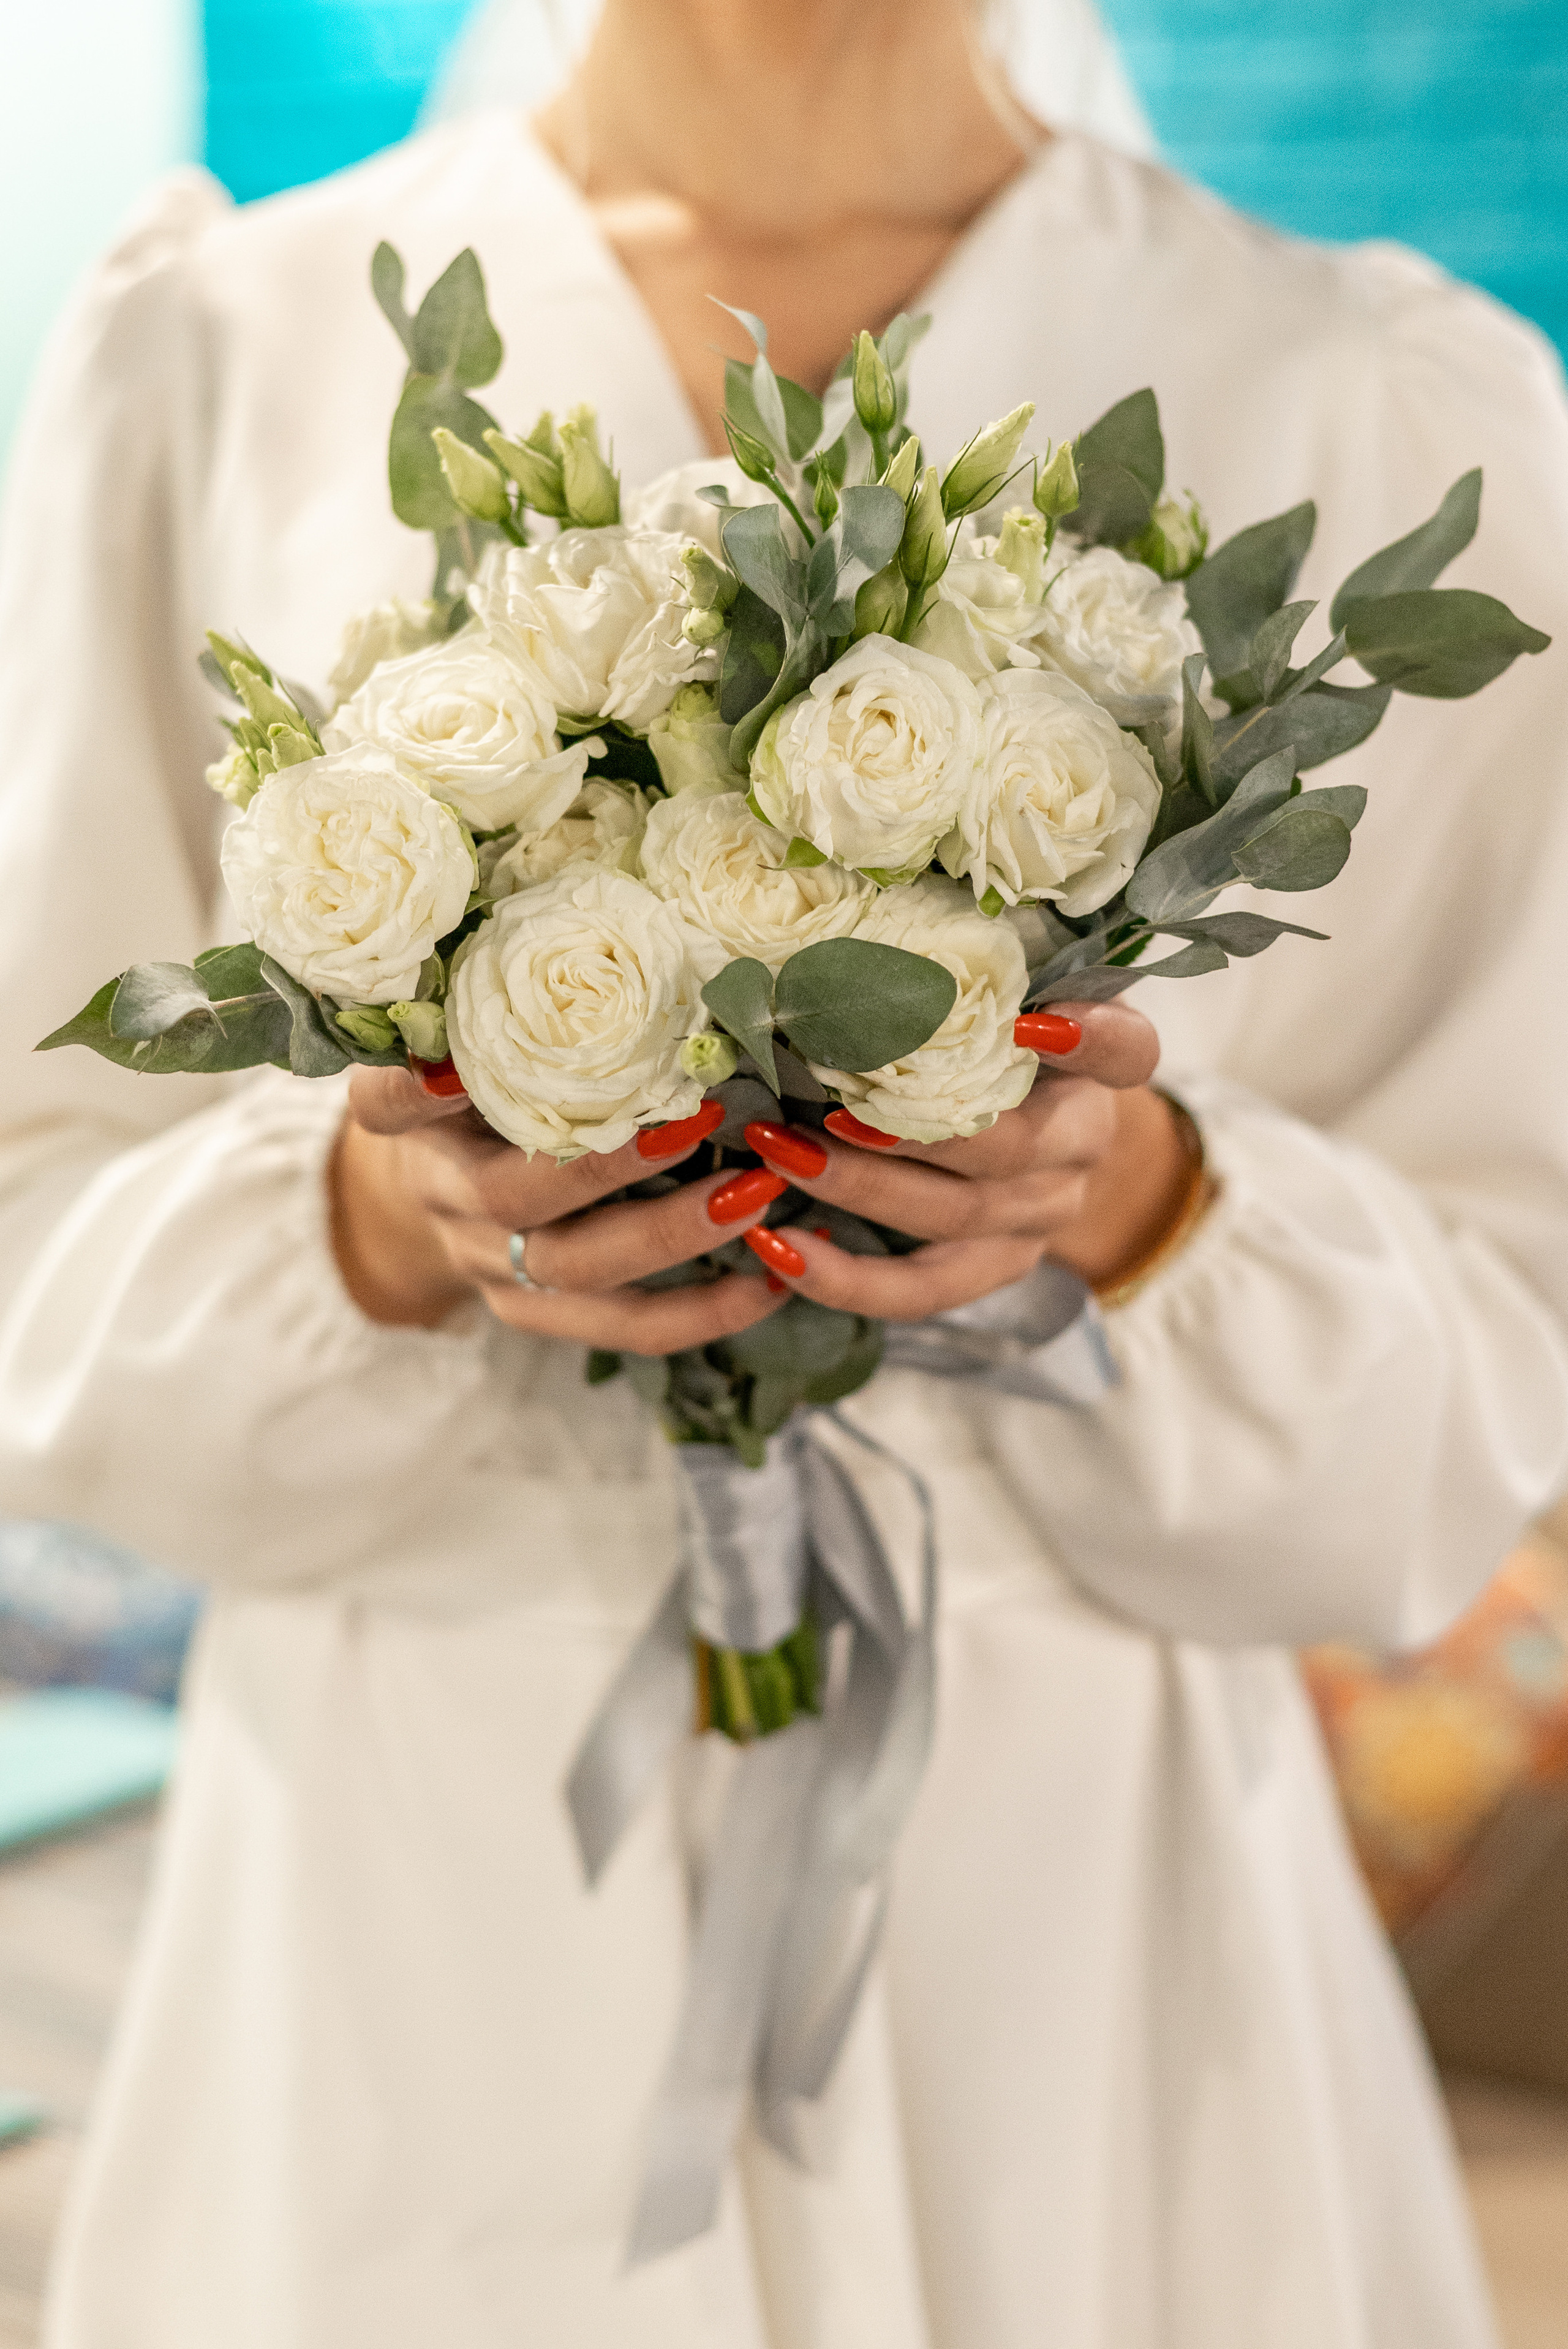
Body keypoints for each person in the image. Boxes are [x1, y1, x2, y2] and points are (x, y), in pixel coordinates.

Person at [1, 2, 1565, 2342]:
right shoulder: (219, 349)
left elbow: (1496, 1379)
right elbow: (37, 1238)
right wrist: (372, 1224)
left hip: (1083, 1938)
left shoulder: (1377, 397)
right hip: (417, 1885)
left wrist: (1135, 1201)